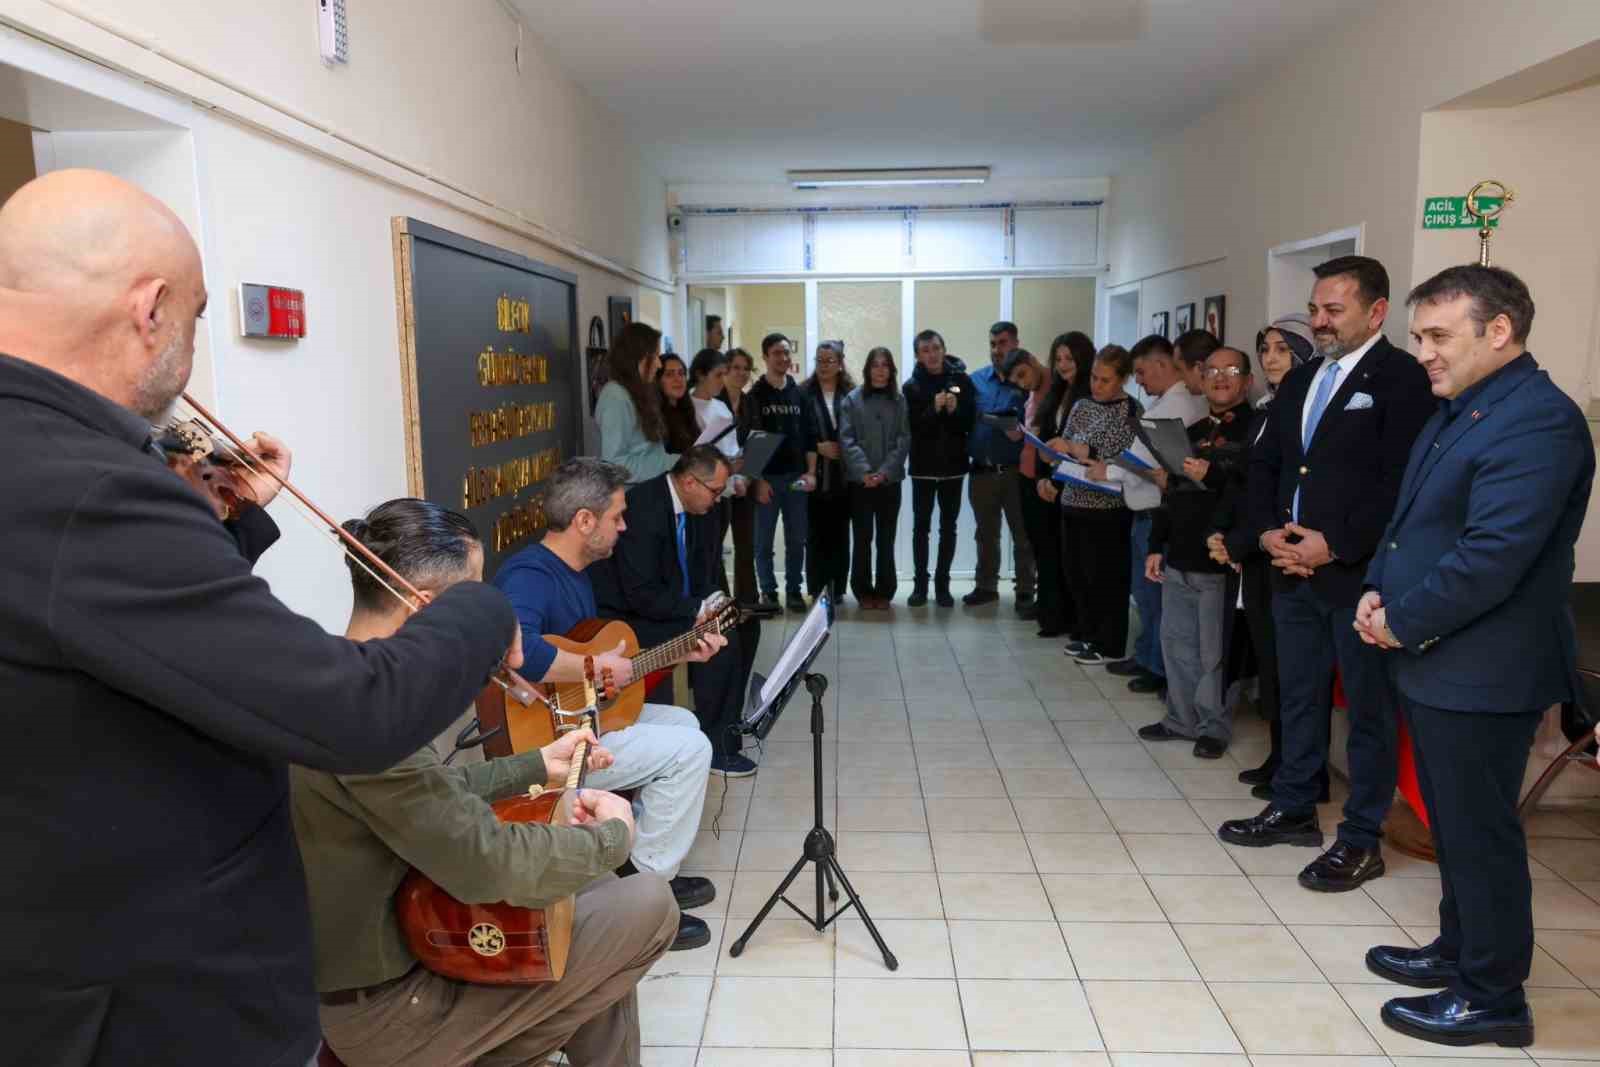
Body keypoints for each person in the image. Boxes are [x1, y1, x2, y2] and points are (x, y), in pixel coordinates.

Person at [0, 170, 521, 1065]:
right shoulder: (86, 484)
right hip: (157, 1006)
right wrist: (477, 600)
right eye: (199, 317)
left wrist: (236, 518)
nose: (192, 350)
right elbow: (356, 711)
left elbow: (118, 643)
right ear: (150, 309)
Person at [294, 498, 678, 1066]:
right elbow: (488, 861)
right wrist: (613, 835)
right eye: (472, 596)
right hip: (392, 1010)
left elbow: (427, 791)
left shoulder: (341, 674)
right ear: (426, 607)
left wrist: (534, 764)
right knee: (648, 902)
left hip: (415, 956)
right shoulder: (367, 719)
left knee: (591, 917)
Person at [1357, 266, 1592, 1047]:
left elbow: (1493, 555)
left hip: (1485, 664)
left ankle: (1494, 994)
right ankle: (1459, 949)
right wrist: (1375, 589)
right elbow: (1413, 524)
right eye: (1418, 335)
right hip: (1438, 653)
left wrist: (1401, 621)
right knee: (1454, 825)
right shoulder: (1463, 408)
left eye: (1436, 336)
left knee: (1480, 831)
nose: (1421, 351)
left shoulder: (1538, 421)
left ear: (1499, 331)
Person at [1219, 255, 1435, 893]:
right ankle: (1292, 806)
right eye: (1314, 309)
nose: (1318, 322)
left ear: (1375, 311)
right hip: (1290, 572)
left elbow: (1402, 481)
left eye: (1332, 311)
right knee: (1297, 694)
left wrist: (1335, 544)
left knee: (1369, 711)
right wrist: (1265, 534)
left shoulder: (1401, 379)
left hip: (1358, 578)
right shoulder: (1303, 377)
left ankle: (1362, 837)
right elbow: (1270, 465)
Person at [494, 458, 728, 948]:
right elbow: (513, 652)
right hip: (550, 744)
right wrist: (594, 669)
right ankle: (646, 894)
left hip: (582, 720)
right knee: (691, 751)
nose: (625, 525)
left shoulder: (578, 572)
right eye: (617, 516)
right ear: (584, 521)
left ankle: (637, 859)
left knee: (684, 722)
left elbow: (598, 670)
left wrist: (684, 649)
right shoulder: (529, 575)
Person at [590, 447, 759, 779]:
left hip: (667, 604)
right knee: (719, 638)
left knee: (740, 624)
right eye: (715, 490)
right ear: (689, 482)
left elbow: (706, 568)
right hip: (625, 615)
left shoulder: (703, 509)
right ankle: (718, 746)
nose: (718, 498)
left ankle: (726, 721)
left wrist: (713, 600)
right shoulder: (643, 509)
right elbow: (639, 593)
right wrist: (697, 610)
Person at [1208, 316, 1317, 794]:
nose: (1271, 357)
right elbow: (1248, 483)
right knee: (1272, 666)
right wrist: (1232, 536)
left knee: (1290, 672)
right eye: (1265, 348)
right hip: (1256, 550)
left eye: (1282, 348)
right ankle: (1280, 758)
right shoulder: (1268, 408)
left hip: (1281, 551)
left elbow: (1280, 488)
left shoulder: (1303, 409)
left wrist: (1244, 538)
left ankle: (1298, 769)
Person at [1140, 347, 1255, 757]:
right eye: (1212, 371)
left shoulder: (1255, 431)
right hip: (1179, 555)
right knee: (1176, 642)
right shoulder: (1190, 431)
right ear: (1201, 378)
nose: (1221, 377)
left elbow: (1251, 492)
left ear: (1247, 381)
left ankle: (1213, 727)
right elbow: (1171, 492)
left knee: (1215, 653)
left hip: (1220, 560)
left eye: (1232, 370)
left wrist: (1217, 473)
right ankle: (1180, 719)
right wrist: (1156, 545)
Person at [1101, 334, 1209, 695]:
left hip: (1155, 513)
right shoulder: (1170, 404)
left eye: (1143, 372)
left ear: (1164, 365)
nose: (1141, 381)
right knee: (1146, 596)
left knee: (1153, 597)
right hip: (1146, 511)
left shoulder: (1178, 408)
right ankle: (1147, 656)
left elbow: (1157, 465)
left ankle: (1156, 666)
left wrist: (1112, 468)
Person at [1054, 345, 1140, 666]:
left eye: (1105, 380)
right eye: (1093, 377)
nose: (1097, 385)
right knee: (1077, 574)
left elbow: (1113, 455)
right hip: (1073, 499)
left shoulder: (1131, 410)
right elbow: (1069, 443)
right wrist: (1060, 452)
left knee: (1105, 578)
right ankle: (1087, 634)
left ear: (1123, 379)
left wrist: (1076, 448)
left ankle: (1109, 642)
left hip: (1108, 508)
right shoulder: (1081, 405)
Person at [965, 320, 1036, 613]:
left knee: (1022, 534)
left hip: (1015, 471)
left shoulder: (1027, 381)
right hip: (982, 470)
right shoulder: (976, 380)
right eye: (993, 344)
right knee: (985, 534)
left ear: (1016, 344)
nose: (997, 349)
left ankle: (1024, 591)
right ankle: (986, 586)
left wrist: (1017, 432)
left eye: (1003, 343)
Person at [1028, 332, 1095, 639]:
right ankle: (1051, 615)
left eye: (1069, 359)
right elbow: (1045, 442)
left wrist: (1055, 478)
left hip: (1074, 487)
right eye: (1058, 359)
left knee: (1072, 560)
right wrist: (1043, 477)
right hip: (1048, 484)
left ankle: (1071, 620)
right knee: (1048, 554)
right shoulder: (1055, 393)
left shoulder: (1089, 398)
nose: (1063, 365)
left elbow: (1084, 449)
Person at [902, 328, 977, 607]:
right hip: (922, 467)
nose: (932, 354)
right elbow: (911, 429)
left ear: (943, 349)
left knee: (949, 527)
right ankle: (920, 586)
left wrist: (956, 409)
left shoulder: (963, 381)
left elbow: (969, 424)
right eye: (925, 350)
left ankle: (942, 586)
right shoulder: (911, 386)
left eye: (935, 348)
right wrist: (933, 409)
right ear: (918, 356)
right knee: (921, 528)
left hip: (954, 467)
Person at [748, 332, 818, 613]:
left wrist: (811, 473)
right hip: (767, 480)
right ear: (766, 357)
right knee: (763, 542)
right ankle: (768, 593)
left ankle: (793, 591)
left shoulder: (799, 394)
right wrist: (758, 480)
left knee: (796, 539)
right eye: (777, 353)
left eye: (787, 353)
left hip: (796, 478)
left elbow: (811, 437)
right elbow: (752, 439)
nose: (783, 358)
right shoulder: (756, 395)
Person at [840, 346, 911, 609]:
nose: (880, 371)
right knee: (862, 538)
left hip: (889, 482)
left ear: (891, 370)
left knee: (885, 538)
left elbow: (904, 439)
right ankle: (862, 591)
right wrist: (865, 473)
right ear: (867, 370)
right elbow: (847, 440)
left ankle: (884, 591)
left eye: (885, 365)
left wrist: (883, 473)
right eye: (875, 365)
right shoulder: (852, 400)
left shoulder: (899, 401)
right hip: (860, 483)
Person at [803, 340, 854, 604]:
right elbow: (795, 433)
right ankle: (816, 587)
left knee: (840, 534)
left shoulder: (852, 393)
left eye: (829, 361)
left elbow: (860, 433)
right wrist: (817, 447)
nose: (823, 366)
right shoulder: (804, 392)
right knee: (815, 534)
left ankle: (837, 588)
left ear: (840, 363)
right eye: (819, 361)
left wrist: (844, 449)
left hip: (845, 476)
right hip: (814, 474)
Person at [597, 321, 675, 484]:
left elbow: (647, 452)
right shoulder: (615, 396)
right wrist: (671, 463)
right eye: (654, 356)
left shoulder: (638, 392)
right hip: (632, 501)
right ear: (637, 357)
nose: (659, 364)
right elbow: (614, 464)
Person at [722, 347, 763, 610]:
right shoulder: (714, 402)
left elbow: (757, 444)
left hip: (745, 483)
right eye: (735, 367)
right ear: (725, 370)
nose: (741, 373)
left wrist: (746, 479)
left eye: (746, 368)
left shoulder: (750, 403)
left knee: (746, 543)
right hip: (718, 485)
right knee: (714, 544)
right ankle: (720, 601)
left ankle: (747, 600)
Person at [657, 351, 698, 454]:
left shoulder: (686, 410)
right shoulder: (656, 416)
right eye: (669, 374)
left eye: (681, 373)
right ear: (657, 381)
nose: (678, 379)